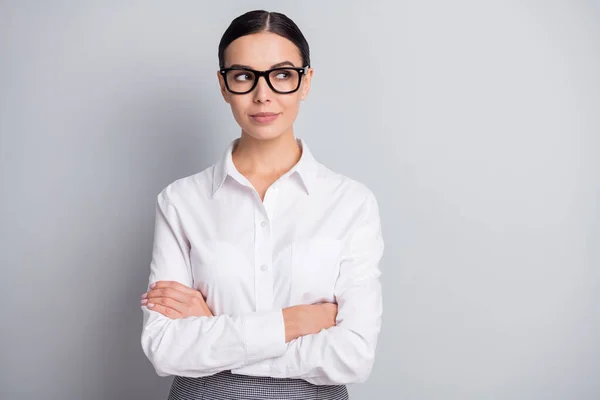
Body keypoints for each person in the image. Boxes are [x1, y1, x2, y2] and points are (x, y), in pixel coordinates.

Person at [139, 9, 384, 400]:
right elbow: (165, 349)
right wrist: (294, 322)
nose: (263, 94)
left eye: (282, 74)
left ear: (306, 82)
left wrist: (218, 330)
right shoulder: (181, 201)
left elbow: (352, 357)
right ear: (223, 86)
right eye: (243, 76)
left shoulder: (350, 203)